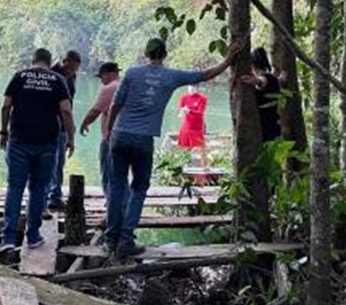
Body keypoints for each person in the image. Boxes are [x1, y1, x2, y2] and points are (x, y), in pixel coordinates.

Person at [104, 38, 242, 257]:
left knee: (116, 186)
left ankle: (111, 239)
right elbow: (205, 74)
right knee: (139, 188)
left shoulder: (131, 73)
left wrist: (108, 131)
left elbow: (115, 104)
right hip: (143, 140)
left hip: (120, 135)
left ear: (146, 53)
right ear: (164, 55)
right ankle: (125, 240)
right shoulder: (171, 76)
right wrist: (227, 60)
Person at [0, 48, 76, 252]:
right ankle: (32, 236)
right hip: (47, 143)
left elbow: (6, 107)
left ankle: (7, 239)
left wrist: (3, 132)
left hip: (19, 141)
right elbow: (66, 111)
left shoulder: (19, 76)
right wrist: (70, 137)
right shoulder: (57, 80)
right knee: (38, 190)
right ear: (49, 63)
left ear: (33, 61)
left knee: (15, 188)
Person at [79, 61, 121, 201]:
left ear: (109, 74)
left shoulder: (109, 88)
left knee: (108, 175)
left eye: (101, 76)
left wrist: (85, 123)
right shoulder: (127, 86)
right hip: (126, 136)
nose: (101, 80)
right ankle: (123, 205)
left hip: (110, 138)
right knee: (121, 175)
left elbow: (95, 111)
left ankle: (111, 208)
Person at [47, 50, 82, 209]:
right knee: (48, 161)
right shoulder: (51, 74)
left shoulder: (72, 77)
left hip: (63, 126)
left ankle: (55, 195)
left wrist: (70, 129)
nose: (71, 72)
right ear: (64, 61)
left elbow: (70, 104)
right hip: (48, 124)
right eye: (69, 68)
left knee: (59, 161)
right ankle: (45, 195)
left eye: (74, 70)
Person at [243, 47, 282, 143]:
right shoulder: (274, 79)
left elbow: (262, 82)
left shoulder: (265, 78)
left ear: (253, 64)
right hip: (273, 124)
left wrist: (256, 81)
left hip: (264, 127)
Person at [176, 84, 208, 150]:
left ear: (198, 88)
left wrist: (189, 111)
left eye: (194, 86)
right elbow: (180, 109)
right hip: (186, 127)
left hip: (196, 128)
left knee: (200, 149)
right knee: (184, 149)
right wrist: (181, 112)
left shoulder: (202, 99)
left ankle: (203, 160)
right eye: (190, 86)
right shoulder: (184, 98)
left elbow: (200, 113)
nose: (191, 88)